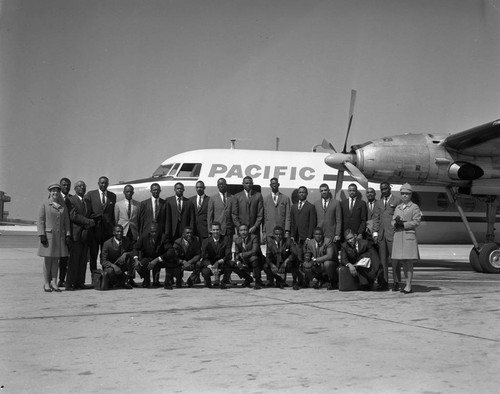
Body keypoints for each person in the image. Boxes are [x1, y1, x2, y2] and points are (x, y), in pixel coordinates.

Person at [37, 183, 71, 292]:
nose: (55, 193)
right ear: (50, 192)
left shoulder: (62, 206)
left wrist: (68, 234)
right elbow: (41, 221)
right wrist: (41, 234)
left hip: (59, 237)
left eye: (57, 191)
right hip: (48, 236)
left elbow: (66, 221)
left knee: (56, 260)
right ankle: (46, 283)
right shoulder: (45, 204)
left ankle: (54, 283)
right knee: (48, 260)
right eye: (53, 191)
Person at [391, 183, 422, 294]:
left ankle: (408, 285)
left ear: (410, 195)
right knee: (402, 261)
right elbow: (393, 219)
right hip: (399, 236)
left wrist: (404, 224)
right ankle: (406, 283)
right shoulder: (398, 207)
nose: (404, 196)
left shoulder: (414, 207)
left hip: (408, 236)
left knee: (408, 262)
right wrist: (395, 223)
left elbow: (417, 221)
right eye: (403, 193)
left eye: (407, 194)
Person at [372, 182, 402, 291]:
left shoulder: (397, 200)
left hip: (392, 234)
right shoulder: (378, 203)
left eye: (385, 188)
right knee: (383, 260)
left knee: (395, 260)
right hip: (381, 235)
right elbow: (376, 218)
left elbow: (399, 218)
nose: (383, 191)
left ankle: (396, 282)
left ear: (389, 188)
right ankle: (384, 282)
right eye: (381, 189)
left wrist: (397, 231)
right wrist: (375, 233)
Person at [66, 181, 95, 290]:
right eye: (79, 186)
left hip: (86, 235)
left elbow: (89, 213)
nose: (82, 188)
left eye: (83, 186)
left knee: (83, 260)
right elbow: (73, 216)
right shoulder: (71, 200)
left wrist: (94, 219)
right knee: (74, 260)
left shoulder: (87, 201)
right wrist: (88, 221)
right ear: (75, 189)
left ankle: (80, 282)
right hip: (76, 235)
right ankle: (70, 283)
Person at [85, 176, 117, 275]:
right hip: (94, 230)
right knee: (93, 254)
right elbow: (87, 212)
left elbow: (112, 214)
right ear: (98, 183)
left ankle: (106, 275)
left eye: (105, 183)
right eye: (102, 183)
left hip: (107, 231)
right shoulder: (90, 194)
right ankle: (94, 275)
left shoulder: (112, 196)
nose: (103, 185)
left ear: (108, 184)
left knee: (105, 254)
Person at [201, 222, 247, 288]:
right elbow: (204, 256)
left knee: (231, 264)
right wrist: (210, 266)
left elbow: (228, 255)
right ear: (211, 230)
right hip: (211, 264)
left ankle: (224, 281)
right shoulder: (206, 241)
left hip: (222, 263)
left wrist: (219, 262)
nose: (215, 231)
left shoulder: (226, 239)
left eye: (217, 230)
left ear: (220, 230)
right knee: (205, 271)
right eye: (214, 230)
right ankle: (208, 283)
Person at [133, 223, 169, 287]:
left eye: (156, 232)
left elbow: (170, 250)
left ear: (158, 231)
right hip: (147, 257)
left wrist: (158, 259)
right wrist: (136, 259)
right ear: (149, 231)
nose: (154, 234)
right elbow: (136, 248)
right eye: (152, 232)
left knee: (158, 263)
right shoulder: (143, 237)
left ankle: (156, 281)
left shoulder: (163, 237)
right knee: (141, 264)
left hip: (158, 258)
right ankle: (146, 279)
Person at [290, 186, 317, 263]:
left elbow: (312, 223)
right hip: (296, 237)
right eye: (300, 192)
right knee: (297, 257)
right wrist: (292, 235)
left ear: (307, 194)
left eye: (303, 192)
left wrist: (309, 237)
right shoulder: (294, 207)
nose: (301, 194)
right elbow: (292, 222)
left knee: (306, 257)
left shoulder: (310, 207)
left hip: (306, 237)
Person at [234, 223, 265, 289]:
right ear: (238, 232)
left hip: (258, 260)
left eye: (245, 230)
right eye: (241, 230)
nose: (243, 232)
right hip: (245, 260)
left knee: (254, 259)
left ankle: (258, 282)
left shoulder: (254, 237)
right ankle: (248, 279)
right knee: (232, 264)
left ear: (248, 231)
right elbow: (236, 253)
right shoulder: (237, 240)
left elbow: (255, 251)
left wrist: (242, 255)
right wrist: (237, 261)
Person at [233, 176, 264, 241]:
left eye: (250, 183)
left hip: (254, 230)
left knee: (255, 249)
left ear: (252, 184)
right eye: (246, 183)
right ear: (243, 184)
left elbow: (260, 214)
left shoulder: (258, 195)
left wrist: (255, 226)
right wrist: (240, 228)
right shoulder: (237, 196)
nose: (248, 185)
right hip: (241, 231)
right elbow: (234, 214)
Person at [58, 177, 72, 287]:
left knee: (65, 260)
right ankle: (50, 280)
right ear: (60, 186)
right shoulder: (55, 198)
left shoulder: (72, 199)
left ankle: (61, 280)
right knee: (54, 259)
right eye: (64, 185)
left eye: (68, 185)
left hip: (69, 234)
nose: (66, 187)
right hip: (58, 234)